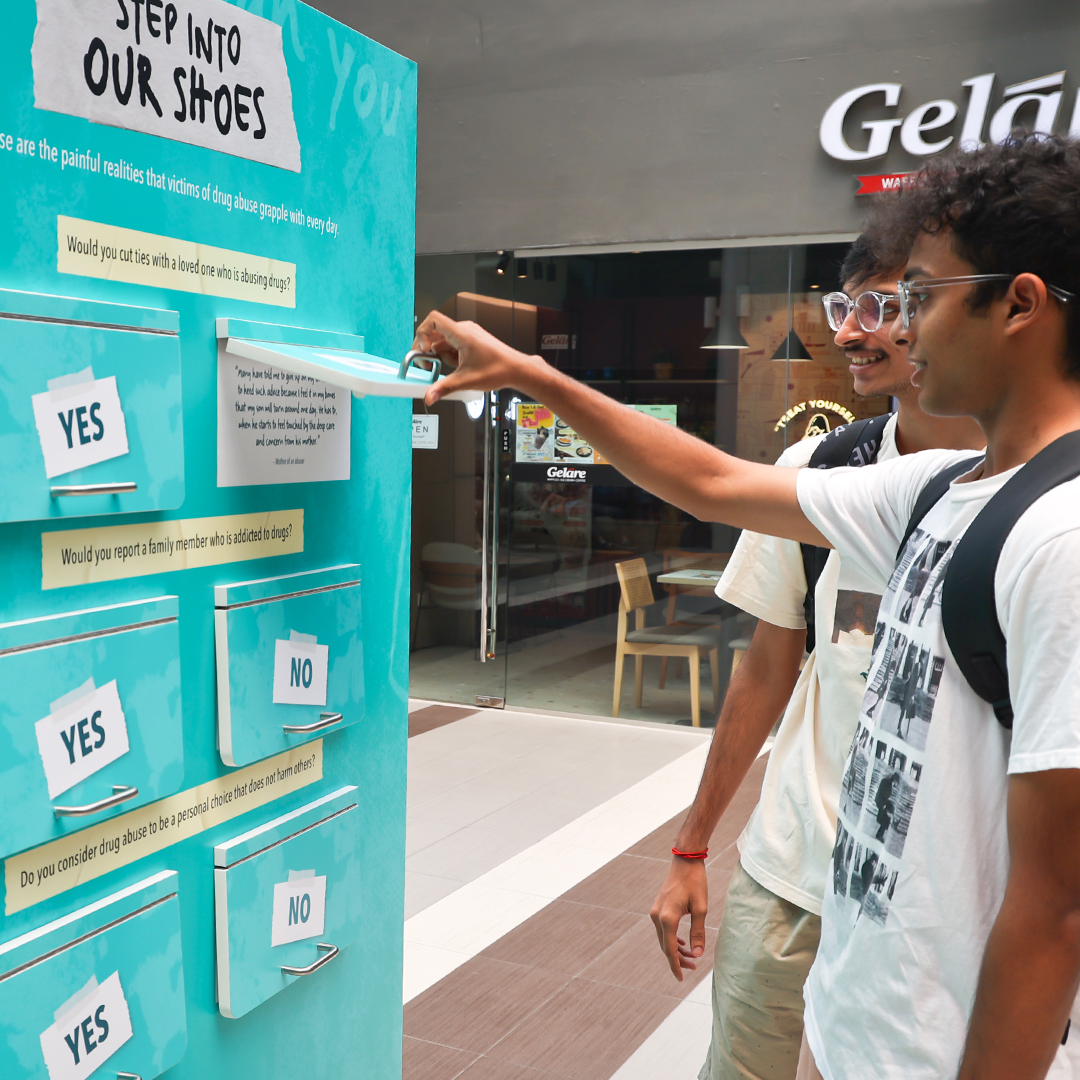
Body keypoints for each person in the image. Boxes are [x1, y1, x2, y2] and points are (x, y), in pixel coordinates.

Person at [415, 133, 1080, 1080]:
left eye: (920, 297)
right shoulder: (936, 488)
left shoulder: (1061, 537)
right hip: (857, 1015)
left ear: (1017, 302)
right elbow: (713, 482)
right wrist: (530, 375)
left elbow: (1058, 906)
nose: (896, 328)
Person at [648, 238, 984, 1080]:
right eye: (843, 309)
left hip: (929, 903)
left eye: (880, 308)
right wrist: (692, 848)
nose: (849, 334)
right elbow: (767, 667)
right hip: (789, 865)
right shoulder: (820, 470)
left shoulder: (1026, 494)